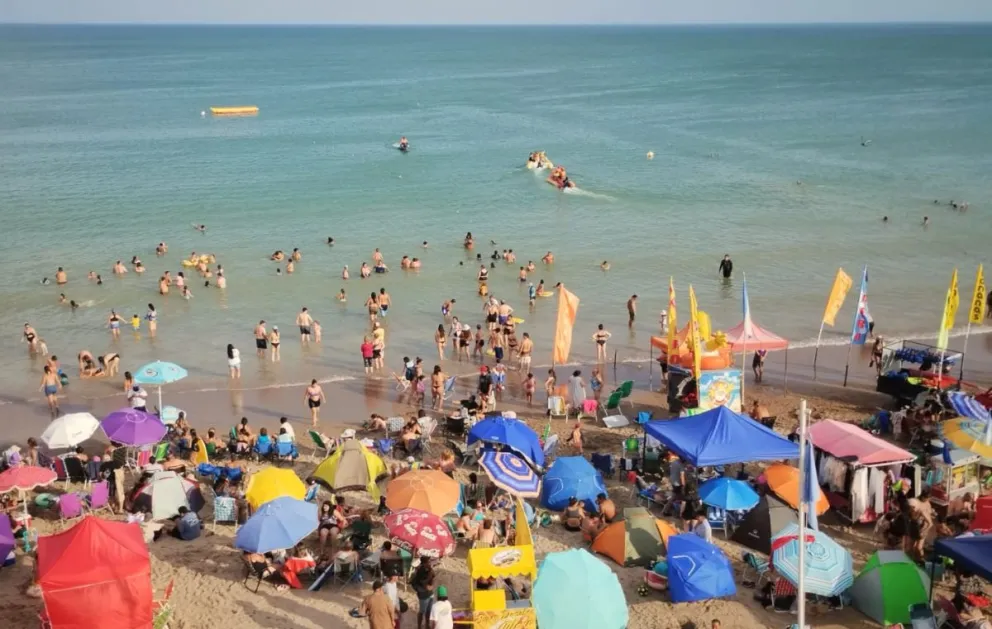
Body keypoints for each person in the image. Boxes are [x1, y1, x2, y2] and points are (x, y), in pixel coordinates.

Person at [411, 561, 436, 629]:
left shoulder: (429, 570)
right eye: (427, 562)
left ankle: (427, 625)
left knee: (428, 611)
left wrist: (431, 586)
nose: (429, 563)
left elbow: (433, 578)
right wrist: (426, 587)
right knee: (422, 611)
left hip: (430, 594)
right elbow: (422, 583)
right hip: (423, 595)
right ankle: (419, 626)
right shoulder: (419, 572)